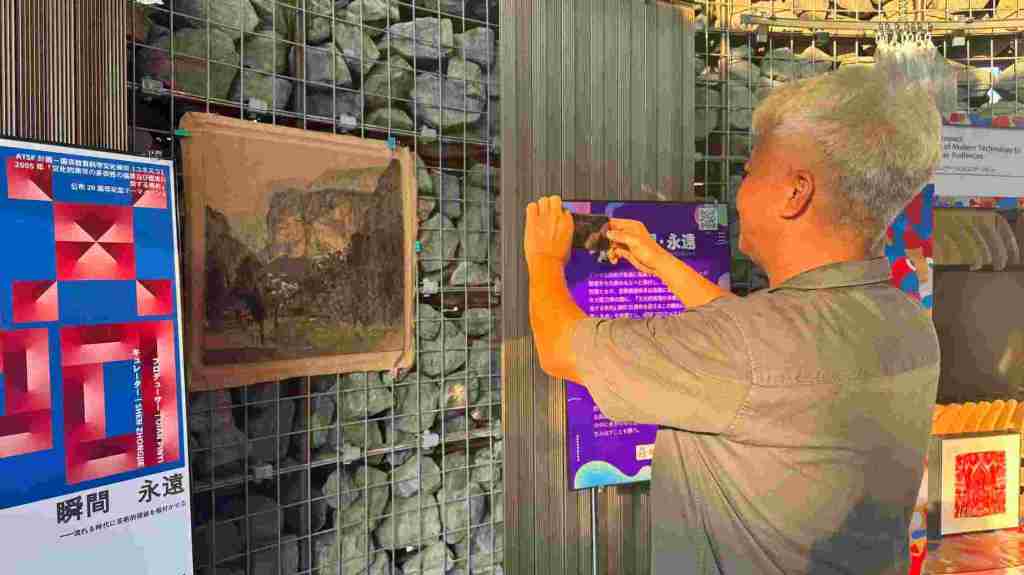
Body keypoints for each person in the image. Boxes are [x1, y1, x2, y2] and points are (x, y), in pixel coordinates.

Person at [524, 63, 942, 574]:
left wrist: (544, 258)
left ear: (796, 192)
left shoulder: (747, 347)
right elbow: (757, 345)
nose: (739, 192)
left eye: (748, 171)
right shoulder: (907, 321)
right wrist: (661, 263)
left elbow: (560, 347)